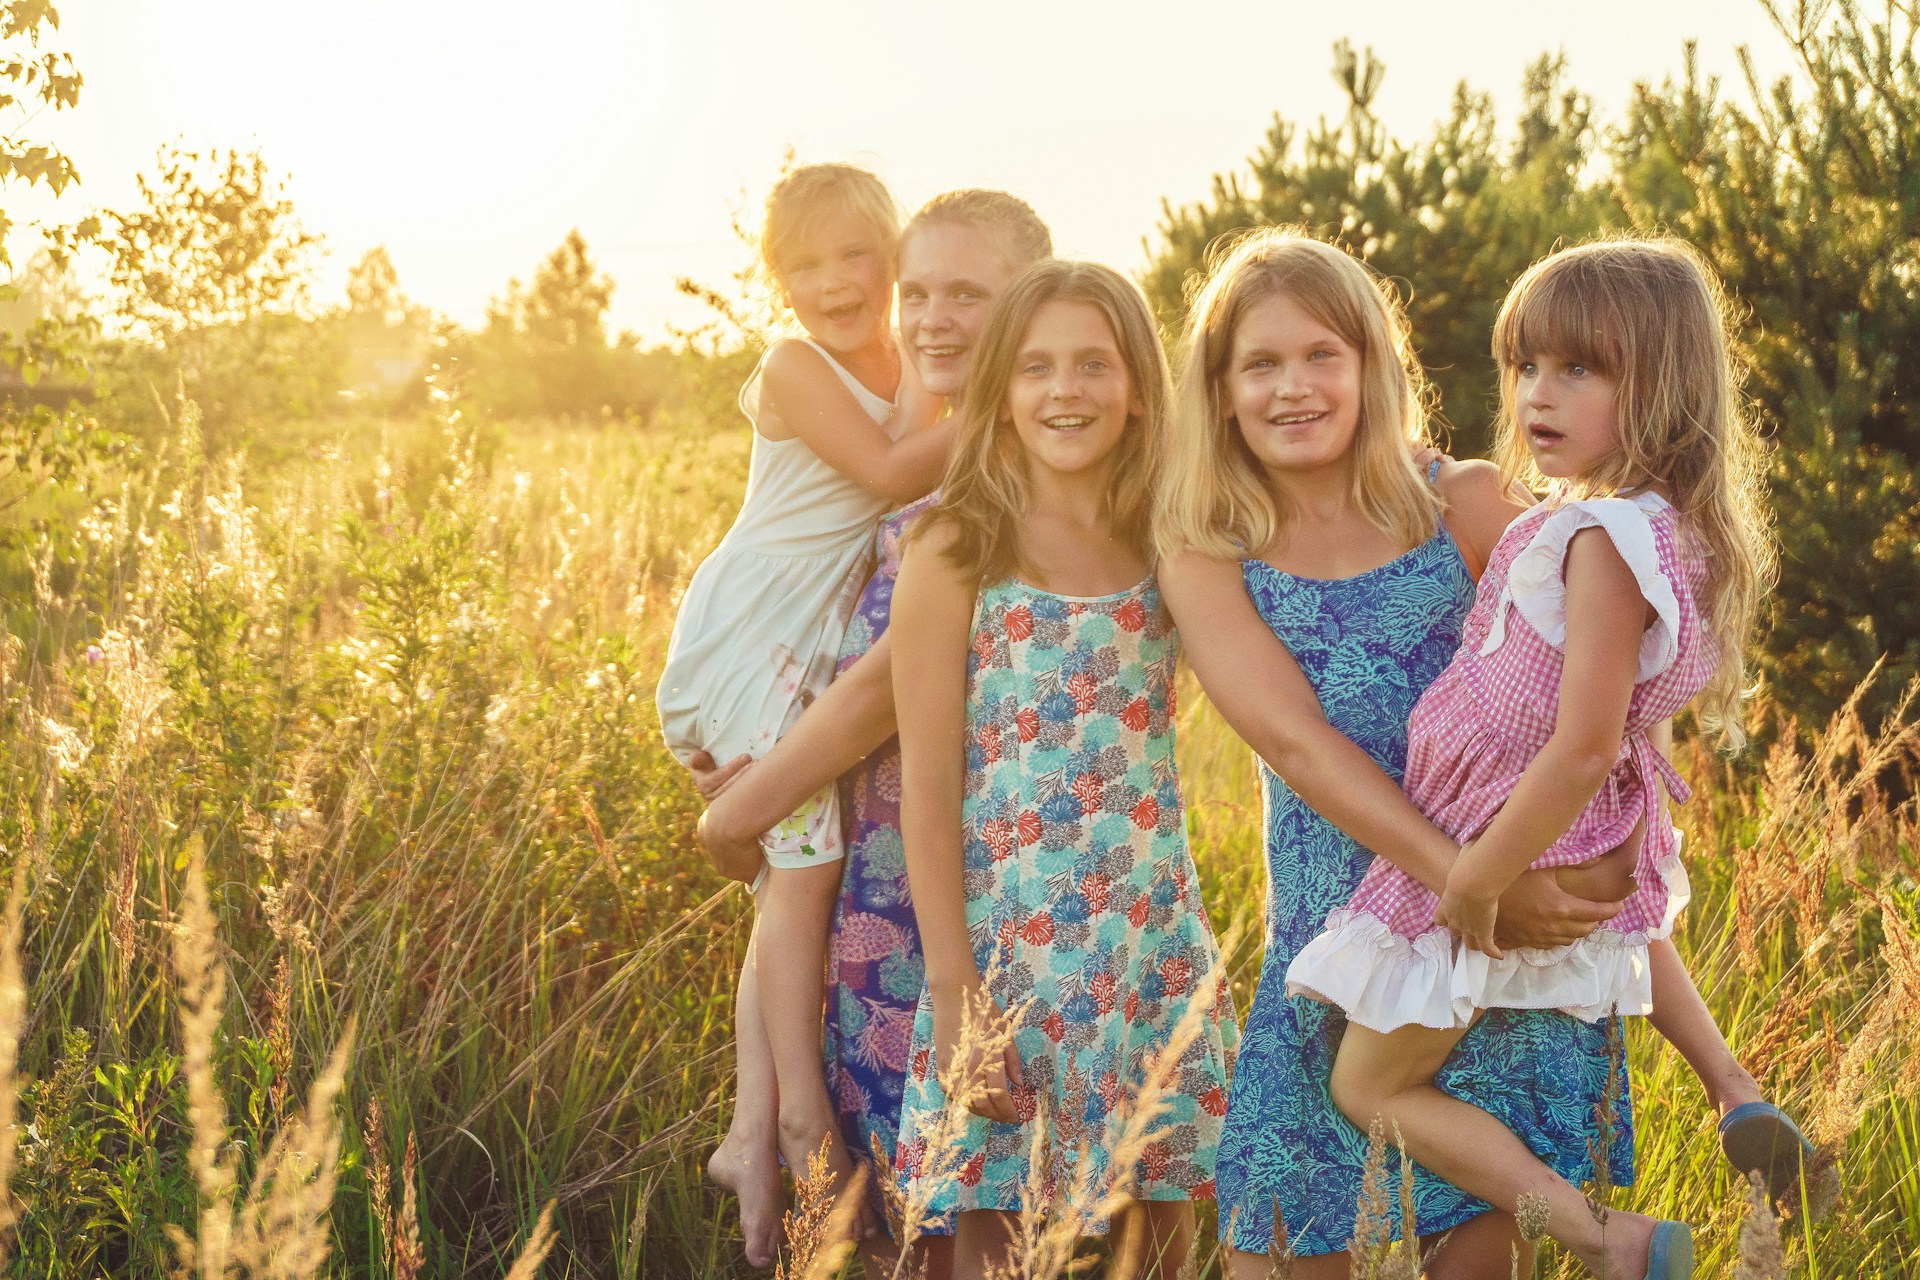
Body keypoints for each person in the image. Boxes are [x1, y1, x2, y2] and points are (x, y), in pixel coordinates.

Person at [1156, 229, 1804, 1278]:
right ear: (1220, 388)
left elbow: (1595, 680)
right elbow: (1295, 740)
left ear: (1373, 363)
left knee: (1474, 1251)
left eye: (1322, 354)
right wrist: (1469, 881)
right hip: (1342, 939)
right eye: (1259, 364)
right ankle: (1667, 1171)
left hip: (1482, 952)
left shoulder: (1459, 501)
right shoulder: (1205, 549)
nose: (1293, 387)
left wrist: (1572, 859)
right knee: (1276, 1252)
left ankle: (1698, 1122)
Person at [694, 188, 1053, 1279]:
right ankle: (767, 1125)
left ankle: (767, 1128)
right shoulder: (915, 422)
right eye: (924, 291)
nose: (931, 316)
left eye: (967, 296)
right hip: (875, 837)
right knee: (794, 896)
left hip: (946, 870)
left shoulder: (986, 458)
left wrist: (745, 802)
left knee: (950, 1186)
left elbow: (883, 687)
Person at [891, 260, 1236, 1280]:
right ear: (998, 389)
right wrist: (956, 990)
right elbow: (928, 786)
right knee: (998, 1243)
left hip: (1146, 942)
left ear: (1137, 388)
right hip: (1009, 957)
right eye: (1036, 367)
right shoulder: (956, 544)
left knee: (1157, 1239)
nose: (1065, 389)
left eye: (1094, 363)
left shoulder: (1170, 538)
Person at [654, 162, 945, 1267]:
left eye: (855, 256)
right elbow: (885, 466)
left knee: (790, 871)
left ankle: (746, 1127)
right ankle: (796, 1121)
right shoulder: (793, 364)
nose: (831, 281)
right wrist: (1012, 411)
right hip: (746, 638)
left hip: (801, 644)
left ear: (893, 257)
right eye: (804, 263)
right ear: (777, 280)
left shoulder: (906, 357)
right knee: (807, 872)